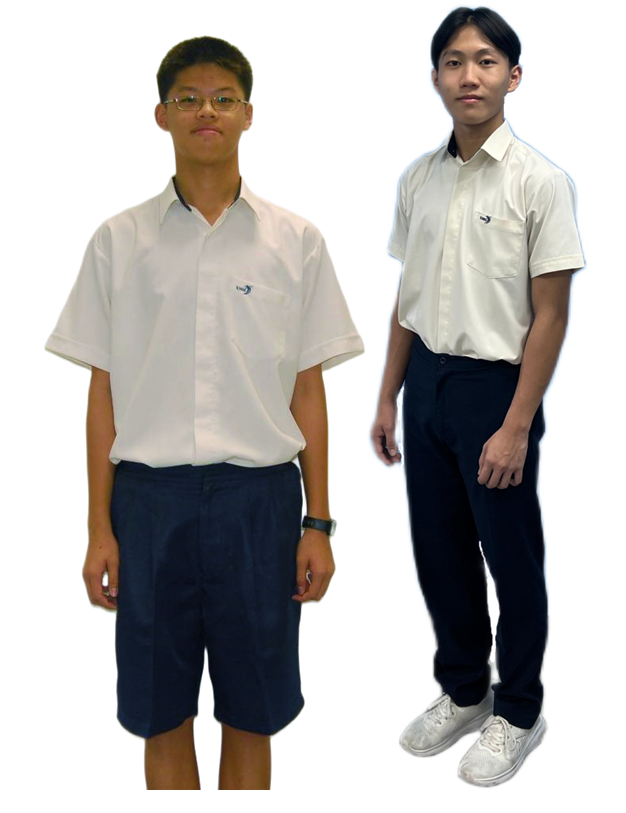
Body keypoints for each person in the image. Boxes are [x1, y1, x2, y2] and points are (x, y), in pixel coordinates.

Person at [44, 35, 363, 790]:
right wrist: (99, 527)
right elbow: (103, 393)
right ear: (162, 115)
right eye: (188, 98)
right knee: (162, 712)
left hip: (260, 503)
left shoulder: (296, 241)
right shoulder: (119, 241)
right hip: (150, 503)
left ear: (249, 114)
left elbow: (308, 391)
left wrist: (318, 522)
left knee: (253, 711)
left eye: (223, 98)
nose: (206, 111)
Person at [371, 6, 584, 787]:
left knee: (511, 557)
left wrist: (517, 423)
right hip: (425, 381)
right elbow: (408, 295)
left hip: (496, 389)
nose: (470, 75)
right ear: (435, 78)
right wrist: (388, 397)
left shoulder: (540, 181)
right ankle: (466, 689)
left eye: (487, 61)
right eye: (455, 61)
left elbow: (551, 314)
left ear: (513, 77)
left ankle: (519, 710)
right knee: (441, 550)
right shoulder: (418, 178)